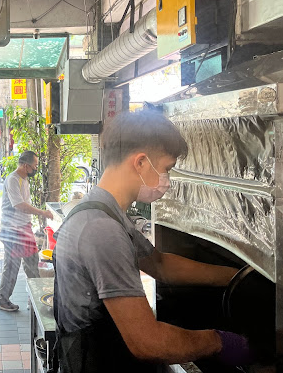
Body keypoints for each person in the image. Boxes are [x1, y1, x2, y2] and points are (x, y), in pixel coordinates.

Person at [53, 110, 254, 372]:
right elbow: (147, 342)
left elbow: (160, 264)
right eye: (166, 168)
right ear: (140, 162)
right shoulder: (102, 229)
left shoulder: (103, 211)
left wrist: (237, 278)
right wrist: (218, 341)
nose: (167, 181)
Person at [0, 150, 53, 311]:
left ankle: (35, 298)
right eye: (34, 166)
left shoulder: (24, 180)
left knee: (32, 263)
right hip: (12, 230)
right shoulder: (13, 180)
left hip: (23, 229)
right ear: (26, 166)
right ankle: (2, 299)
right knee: (12, 265)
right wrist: (42, 213)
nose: (36, 169)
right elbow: (19, 205)